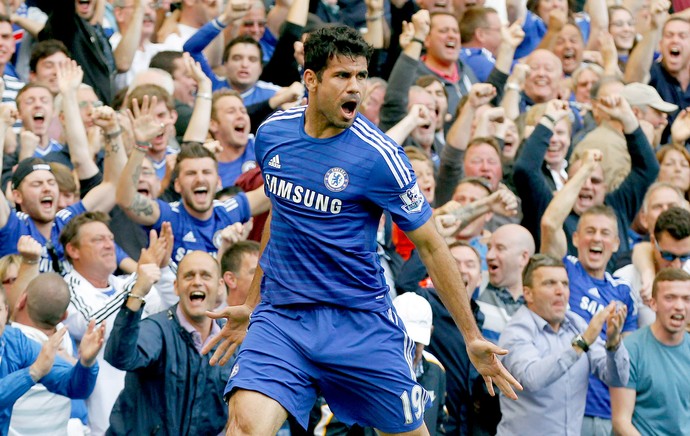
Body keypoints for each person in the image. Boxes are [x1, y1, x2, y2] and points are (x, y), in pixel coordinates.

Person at [206, 25, 520, 435]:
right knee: (244, 427)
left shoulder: (380, 157)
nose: (356, 87)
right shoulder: (272, 134)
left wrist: (471, 336)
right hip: (282, 317)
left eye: (361, 76)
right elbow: (281, 217)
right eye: (342, 76)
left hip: (358, 324)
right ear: (311, 79)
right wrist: (251, 303)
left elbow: (431, 244)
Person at [497, 254, 630, 436]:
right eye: (550, 283)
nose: (561, 291)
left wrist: (614, 344)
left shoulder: (578, 324)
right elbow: (532, 379)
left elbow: (617, 379)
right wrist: (581, 343)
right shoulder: (516, 331)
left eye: (565, 284)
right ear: (528, 293)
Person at [104, 250, 234, 434]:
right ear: (176, 286)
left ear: (220, 286)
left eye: (205, 275)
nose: (197, 281)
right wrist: (138, 292)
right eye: (189, 276)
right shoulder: (157, 328)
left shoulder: (231, 340)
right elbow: (120, 357)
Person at [0, 282, 102, 435]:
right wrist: (32, 372)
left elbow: (74, 387)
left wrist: (86, 364)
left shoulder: (16, 342)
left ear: (6, 311)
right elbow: (35, 370)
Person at [610, 268, 690, 436]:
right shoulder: (631, 349)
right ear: (653, 303)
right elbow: (621, 421)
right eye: (670, 298)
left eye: (686, 299)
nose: (679, 306)